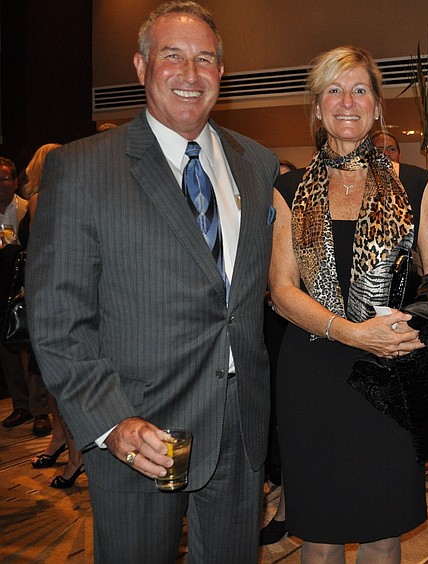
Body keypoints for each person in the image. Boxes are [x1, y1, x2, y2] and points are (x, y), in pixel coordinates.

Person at [27, 2, 279, 562]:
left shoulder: (257, 165)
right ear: (141, 66)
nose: (191, 75)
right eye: (173, 57)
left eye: (206, 60)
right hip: (138, 434)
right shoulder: (84, 168)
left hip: (239, 430)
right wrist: (110, 421)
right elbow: (58, 320)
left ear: (221, 73)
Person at [268, 45, 428, 563]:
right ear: (317, 107)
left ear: (376, 106)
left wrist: (403, 332)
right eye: (333, 89)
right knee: (320, 532)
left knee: (381, 529)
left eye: (359, 89)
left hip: (388, 377)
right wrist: (349, 333)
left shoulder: (415, 186)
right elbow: (282, 291)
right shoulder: (287, 190)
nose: (346, 101)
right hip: (312, 375)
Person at [19, 142, 86, 487]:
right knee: (54, 381)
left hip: (53, 298)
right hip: (61, 294)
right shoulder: (75, 196)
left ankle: (75, 455)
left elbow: (42, 254)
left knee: (61, 381)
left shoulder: (40, 200)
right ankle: (62, 442)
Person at [0, 156, 52, 438]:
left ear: (16, 181)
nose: (1, 185)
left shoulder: (27, 206)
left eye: (6, 179)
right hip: (1, 286)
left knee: (29, 344)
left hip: (25, 282)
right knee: (7, 344)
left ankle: (40, 410)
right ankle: (20, 404)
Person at [260, 158, 295, 545]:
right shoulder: (255, 219)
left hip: (296, 324)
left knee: (288, 420)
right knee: (267, 414)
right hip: (261, 324)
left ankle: (287, 506)